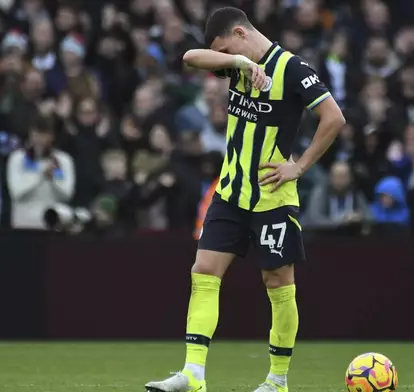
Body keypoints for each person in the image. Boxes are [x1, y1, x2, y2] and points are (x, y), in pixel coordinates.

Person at [145, 7, 345, 392]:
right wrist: (233, 58)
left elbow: (333, 117)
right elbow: (189, 58)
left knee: (278, 282)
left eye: (225, 48)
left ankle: (277, 380)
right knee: (203, 271)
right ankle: (193, 376)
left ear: (240, 32)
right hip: (231, 191)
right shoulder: (238, 63)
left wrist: (299, 167)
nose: (221, 58)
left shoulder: (293, 68)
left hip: (272, 195)